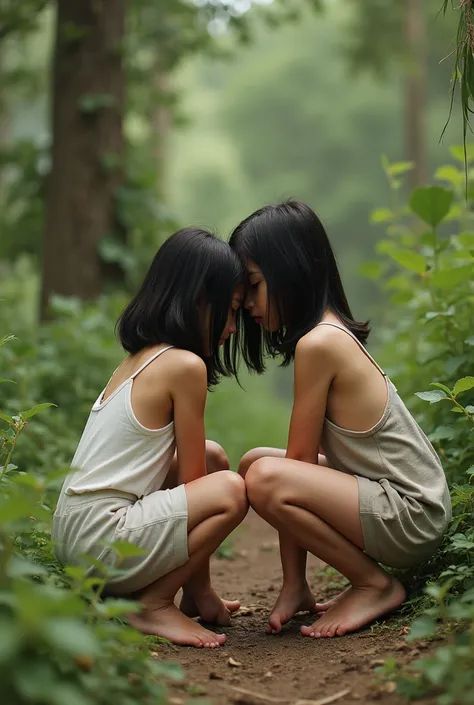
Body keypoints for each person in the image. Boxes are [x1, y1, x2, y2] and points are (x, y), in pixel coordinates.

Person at [228, 200, 451, 639]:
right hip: (400, 503)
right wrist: (296, 586)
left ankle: (375, 585)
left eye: (254, 285)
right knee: (255, 463)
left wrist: (291, 583)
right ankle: (345, 583)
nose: (248, 304)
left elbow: (297, 466)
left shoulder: (320, 344)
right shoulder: (325, 336)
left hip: (411, 513)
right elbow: (298, 466)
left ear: (290, 270)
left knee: (267, 477)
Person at [52, 228, 248, 648]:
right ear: (200, 300)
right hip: (102, 538)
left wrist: (202, 594)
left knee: (214, 458)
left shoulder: (139, 358)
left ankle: (183, 597)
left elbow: (196, 475)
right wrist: (202, 588)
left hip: (74, 534)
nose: (232, 327)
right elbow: (198, 490)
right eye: (229, 311)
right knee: (230, 490)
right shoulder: (183, 366)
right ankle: (154, 605)